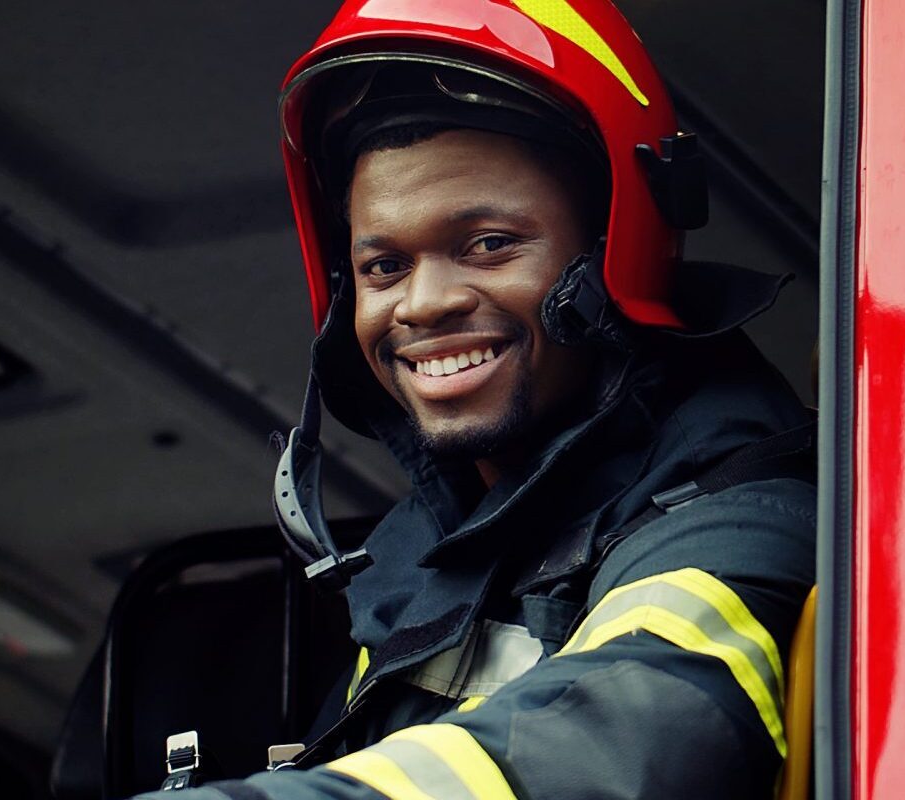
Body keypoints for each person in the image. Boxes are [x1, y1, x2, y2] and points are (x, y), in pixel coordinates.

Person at [148, 1, 815, 797]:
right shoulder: (433, 554)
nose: (423, 303)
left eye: (489, 245)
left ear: (615, 251)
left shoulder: (747, 522)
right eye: (384, 267)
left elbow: (610, 752)